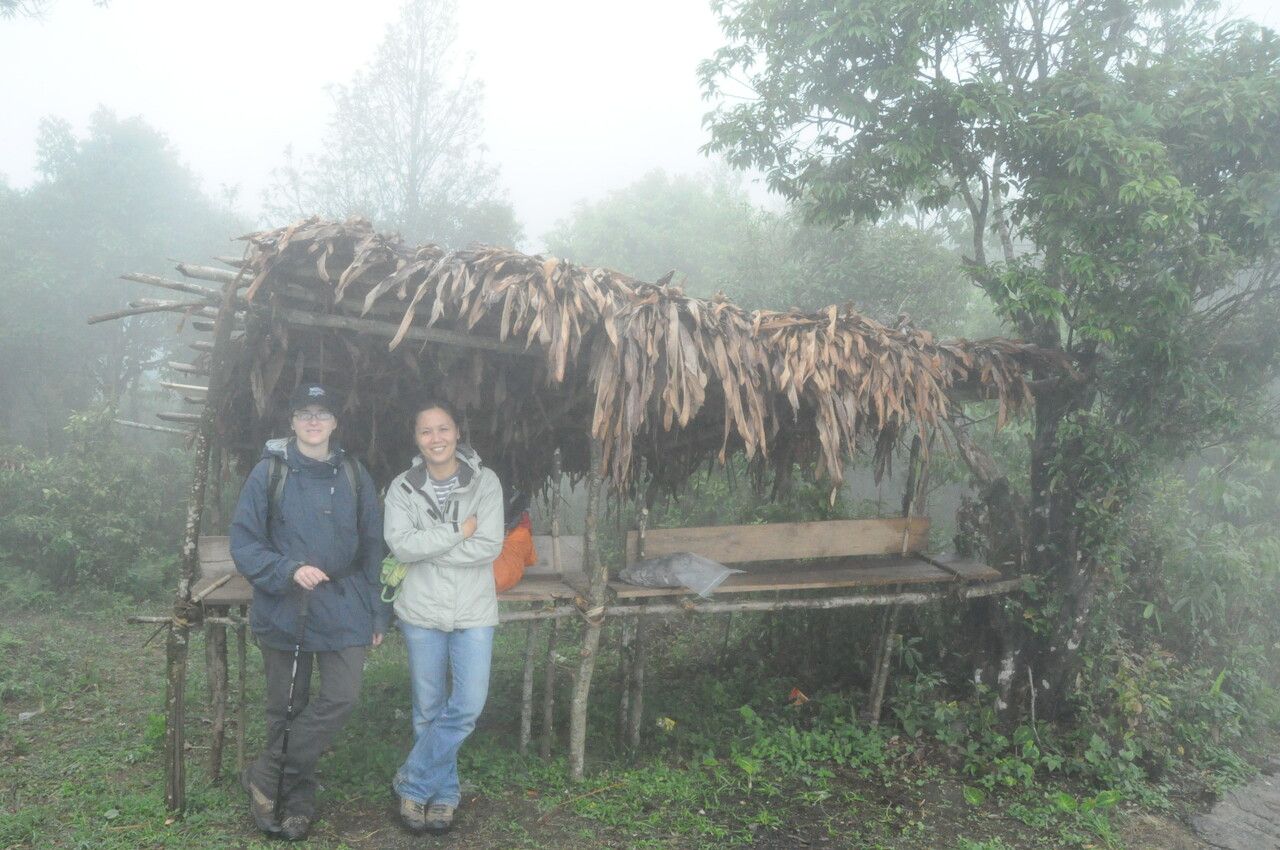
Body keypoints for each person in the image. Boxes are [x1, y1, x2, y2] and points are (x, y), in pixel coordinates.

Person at [229, 382, 388, 841]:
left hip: (344, 601)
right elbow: (244, 542)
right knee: (286, 706)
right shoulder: (269, 473)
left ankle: (265, 773)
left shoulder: (354, 474)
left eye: (322, 413)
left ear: (335, 422)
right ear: (292, 422)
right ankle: (296, 800)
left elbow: (374, 546)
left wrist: (379, 612)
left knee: (342, 695)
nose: (313, 421)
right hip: (285, 604)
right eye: (304, 413)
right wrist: (288, 569)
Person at [383, 399, 503, 835]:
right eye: (426, 431)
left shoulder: (485, 482)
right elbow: (401, 545)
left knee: (467, 705)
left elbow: (488, 546)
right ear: (416, 438)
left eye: (443, 428)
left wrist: (428, 548)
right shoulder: (402, 487)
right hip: (421, 609)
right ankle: (443, 795)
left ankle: (412, 781)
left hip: (474, 609)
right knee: (428, 708)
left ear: (457, 432)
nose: (436, 438)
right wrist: (457, 532)